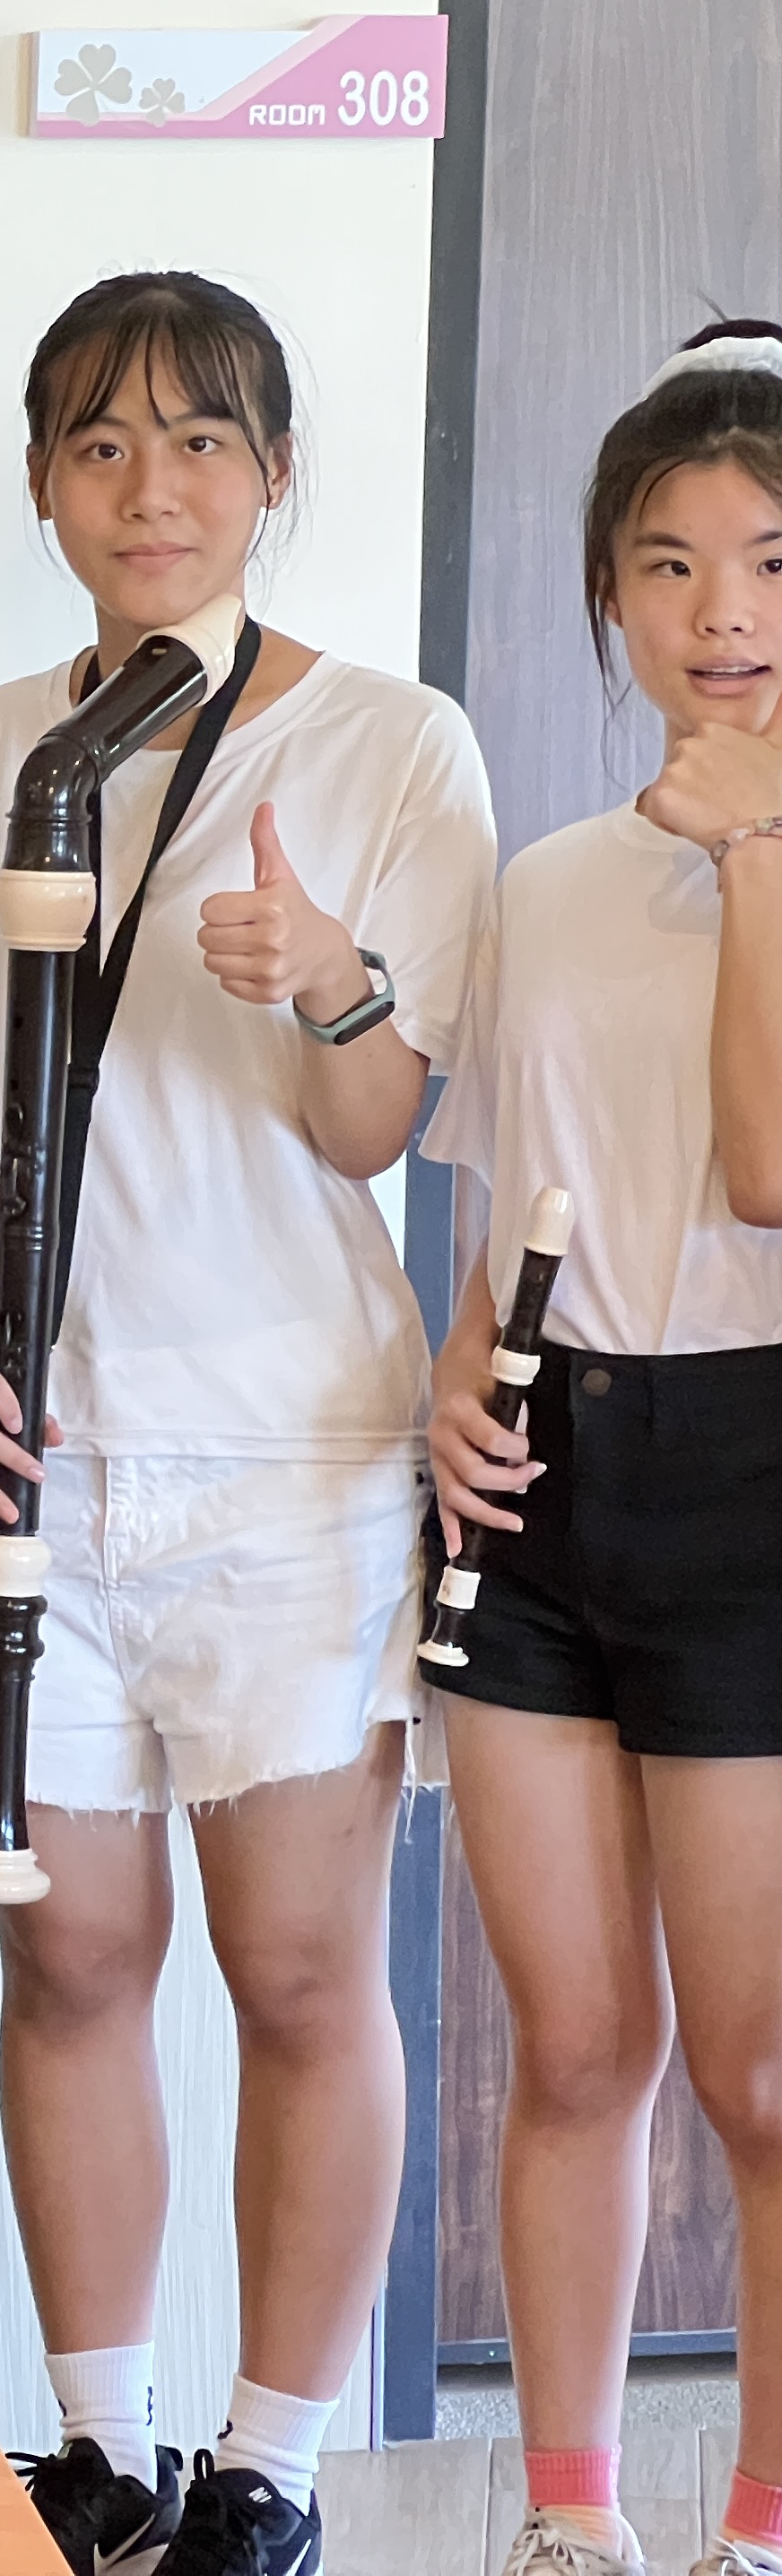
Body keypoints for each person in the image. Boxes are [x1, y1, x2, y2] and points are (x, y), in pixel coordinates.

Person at [0, 271, 498, 2575]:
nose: (153, 488)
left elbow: (374, 1132)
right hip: (40, 1470)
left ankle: (275, 2464)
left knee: (305, 1976)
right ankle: (104, 2444)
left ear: (276, 475)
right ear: (45, 485)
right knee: (67, 1961)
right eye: (102, 443)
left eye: (202, 440)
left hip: (288, 1463)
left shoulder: (391, 744)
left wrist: (327, 979)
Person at [423, 321, 782, 2576]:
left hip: (755, 1464)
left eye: (770, 561)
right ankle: (570, 2517)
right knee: (571, 2049)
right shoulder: (546, 879)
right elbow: (506, 1192)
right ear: (610, 597)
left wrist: (758, 856)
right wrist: (453, 1382)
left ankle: (759, 2523)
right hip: (546, 1473)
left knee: (764, 2077)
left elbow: (766, 1170)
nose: (720, 612)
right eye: (667, 563)